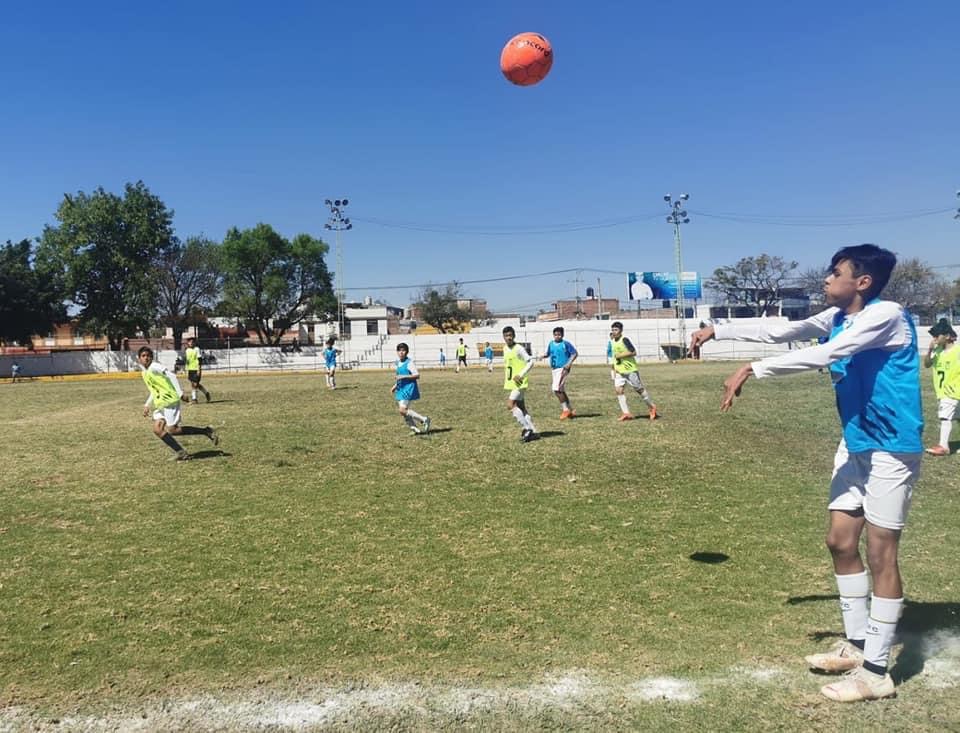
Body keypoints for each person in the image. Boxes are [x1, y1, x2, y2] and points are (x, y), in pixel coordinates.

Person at [688, 244, 922, 702]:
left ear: (863, 282)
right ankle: (856, 645)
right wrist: (719, 328)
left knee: (881, 554)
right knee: (839, 541)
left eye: (835, 273)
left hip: (892, 449)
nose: (826, 280)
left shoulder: (887, 315)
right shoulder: (836, 316)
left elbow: (828, 355)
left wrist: (750, 370)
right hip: (854, 443)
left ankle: (876, 674)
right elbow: (782, 330)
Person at [137, 346, 219, 461]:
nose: (146, 358)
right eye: (143, 356)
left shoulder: (154, 366)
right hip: (161, 403)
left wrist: (180, 393)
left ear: (152, 357)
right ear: (139, 359)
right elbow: (153, 390)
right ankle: (181, 452)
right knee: (157, 429)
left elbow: (171, 375)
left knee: (172, 430)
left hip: (170, 401)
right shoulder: (144, 373)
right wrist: (147, 405)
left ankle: (206, 431)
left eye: (148, 356)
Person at [923, 318, 959, 456]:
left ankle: (943, 446)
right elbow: (927, 364)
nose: (935, 338)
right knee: (957, 418)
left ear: (948, 336)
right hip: (943, 391)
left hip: (952, 391)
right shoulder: (937, 351)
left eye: (937, 336)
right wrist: (930, 350)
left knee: (945, 417)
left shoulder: (957, 351)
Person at [610, 321, 657, 421]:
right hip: (619, 371)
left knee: (639, 389)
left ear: (621, 331)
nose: (614, 332)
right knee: (619, 390)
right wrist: (613, 368)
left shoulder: (625, 339)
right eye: (613, 330)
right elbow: (614, 356)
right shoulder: (612, 341)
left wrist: (620, 355)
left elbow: (633, 352)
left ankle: (652, 407)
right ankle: (626, 413)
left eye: (616, 330)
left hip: (630, 370)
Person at [502, 326, 537, 442]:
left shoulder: (519, 348)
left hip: (520, 382)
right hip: (513, 382)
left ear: (514, 336)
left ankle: (527, 429)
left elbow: (530, 362)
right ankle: (533, 431)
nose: (509, 338)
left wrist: (521, 375)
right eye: (506, 336)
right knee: (521, 407)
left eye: (510, 335)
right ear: (503, 337)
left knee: (510, 405)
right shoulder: (505, 349)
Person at [391, 343, 431, 435]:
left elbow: (417, 375)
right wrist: (395, 386)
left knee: (402, 410)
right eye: (399, 350)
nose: (401, 352)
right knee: (404, 412)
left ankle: (424, 419)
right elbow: (399, 377)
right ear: (397, 352)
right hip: (401, 389)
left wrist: (403, 376)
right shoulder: (398, 363)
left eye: (403, 350)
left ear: (407, 352)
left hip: (408, 388)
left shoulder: (409, 363)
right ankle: (415, 429)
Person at [541, 326, 578, 419]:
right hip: (554, 369)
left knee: (556, 389)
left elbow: (574, 353)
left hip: (563, 368)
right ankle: (570, 410)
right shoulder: (551, 344)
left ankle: (565, 410)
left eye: (559, 335)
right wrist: (543, 356)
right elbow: (549, 353)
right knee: (561, 390)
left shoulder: (565, 344)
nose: (557, 336)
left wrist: (569, 363)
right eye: (556, 334)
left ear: (562, 335)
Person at [183, 337, 211, 404]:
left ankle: (194, 399)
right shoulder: (187, 350)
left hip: (196, 369)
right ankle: (206, 393)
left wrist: (199, 369)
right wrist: (186, 369)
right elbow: (187, 361)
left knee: (195, 385)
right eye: (189, 342)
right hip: (190, 369)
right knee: (195, 384)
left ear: (194, 343)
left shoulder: (197, 349)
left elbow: (199, 359)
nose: (191, 343)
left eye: (192, 342)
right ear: (188, 343)